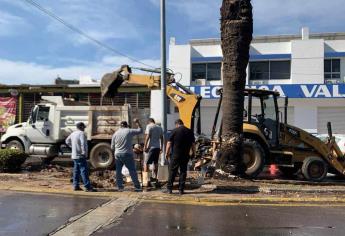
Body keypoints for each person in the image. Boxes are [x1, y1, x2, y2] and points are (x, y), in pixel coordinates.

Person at [111, 119, 143, 192]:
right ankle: (137, 187)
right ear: (126, 125)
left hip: (118, 154)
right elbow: (140, 130)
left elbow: (112, 147)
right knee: (132, 170)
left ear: (120, 126)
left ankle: (120, 187)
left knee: (118, 171)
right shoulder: (129, 131)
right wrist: (137, 122)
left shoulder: (115, 133)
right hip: (127, 154)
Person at [165, 119, 196, 195]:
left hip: (175, 155)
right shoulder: (189, 131)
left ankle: (169, 189)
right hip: (185, 155)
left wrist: (167, 153)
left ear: (176, 124)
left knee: (172, 171)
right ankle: (181, 190)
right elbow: (193, 144)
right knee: (183, 172)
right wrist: (193, 153)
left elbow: (169, 143)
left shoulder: (174, 131)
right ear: (182, 123)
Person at [66, 122, 96, 192]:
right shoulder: (81, 134)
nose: (84, 129)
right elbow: (83, 144)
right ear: (81, 127)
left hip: (74, 155)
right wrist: (84, 153)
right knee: (84, 171)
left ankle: (75, 186)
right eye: (84, 127)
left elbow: (67, 141)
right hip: (80, 155)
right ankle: (87, 187)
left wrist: (72, 147)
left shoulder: (73, 133)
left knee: (76, 171)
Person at [143, 118, 163, 183]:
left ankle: (145, 180)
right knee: (156, 163)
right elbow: (162, 138)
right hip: (157, 148)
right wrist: (161, 147)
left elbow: (148, 136)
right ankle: (155, 178)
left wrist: (145, 146)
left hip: (150, 148)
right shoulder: (159, 127)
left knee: (146, 163)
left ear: (149, 122)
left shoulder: (149, 126)